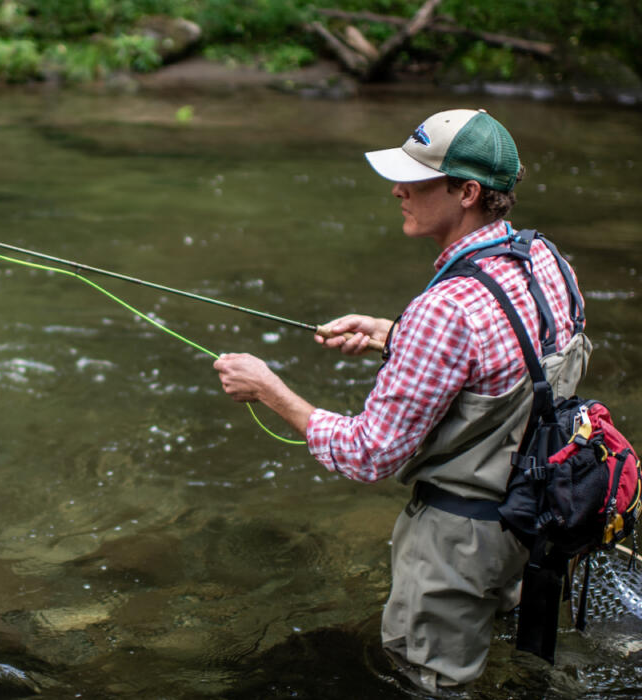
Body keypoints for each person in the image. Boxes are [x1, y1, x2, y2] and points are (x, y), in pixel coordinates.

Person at [212, 108, 591, 692]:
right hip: (539, 518)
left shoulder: (444, 311)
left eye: (415, 178)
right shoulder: (545, 260)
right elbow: (515, 359)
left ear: (467, 192)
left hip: (458, 547)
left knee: (427, 686)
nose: (397, 189)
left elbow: (369, 455)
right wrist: (392, 335)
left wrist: (271, 391)